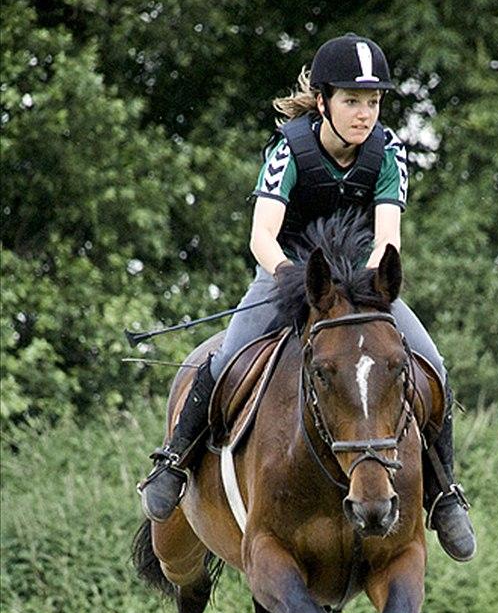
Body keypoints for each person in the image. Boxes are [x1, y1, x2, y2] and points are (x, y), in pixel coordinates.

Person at [139, 33, 475, 562]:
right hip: (288, 273)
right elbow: (261, 238)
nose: (364, 114)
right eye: (351, 101)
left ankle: (445, 493)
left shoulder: (389, 152)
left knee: (430, 362)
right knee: (227, 357)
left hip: (361, 283)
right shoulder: (287, 150)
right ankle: (174, 461)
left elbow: (388, 238)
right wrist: (296, 280)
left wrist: (360, 290)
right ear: (323, 102)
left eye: (373, 102)